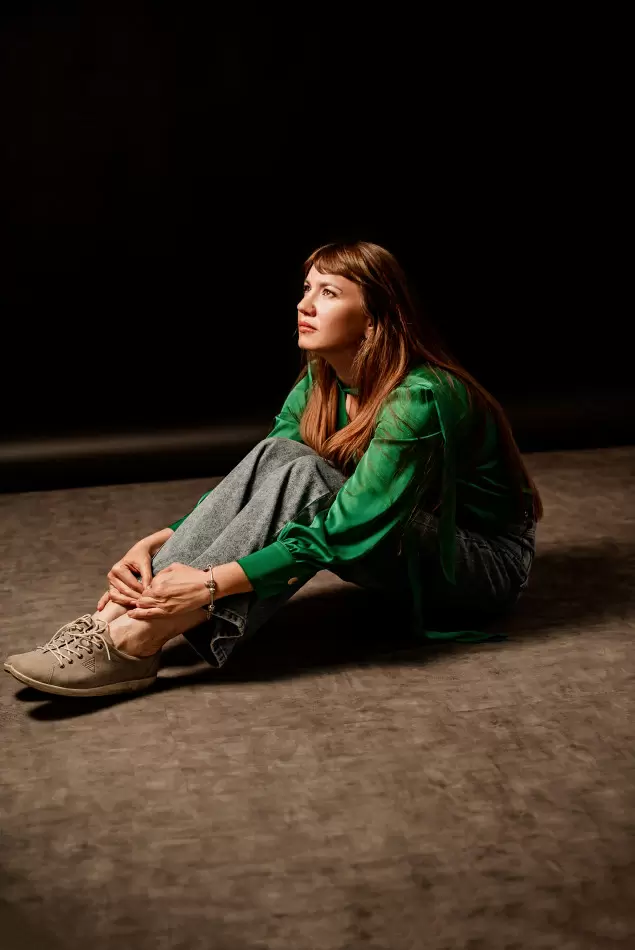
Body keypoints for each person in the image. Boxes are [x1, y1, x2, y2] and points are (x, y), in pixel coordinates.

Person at [4, 241, 542, 698]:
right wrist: (160, 541)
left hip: (479, 566)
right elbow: (256, 479)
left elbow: (347, 529)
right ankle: (110, 621)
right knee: (280, 457)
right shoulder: (321, 381)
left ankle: (137, 638)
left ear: (376, 315)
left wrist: (211, 585)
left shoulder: (420, 398)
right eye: (306, 289)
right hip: (402, 540)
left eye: (329, 293)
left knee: (309, 478)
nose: (304, 304)